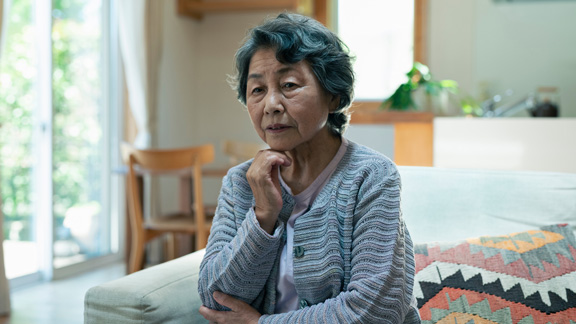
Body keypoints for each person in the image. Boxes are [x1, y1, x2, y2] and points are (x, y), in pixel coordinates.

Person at [198, 12, 420, 324]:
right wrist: (262, 217)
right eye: (257, 90)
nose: (271, 104)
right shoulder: (241, 182)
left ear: (334, 95)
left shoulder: (371, 177)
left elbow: (376, 311)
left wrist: (260, 323)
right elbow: (214, 298)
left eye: (289, 84)